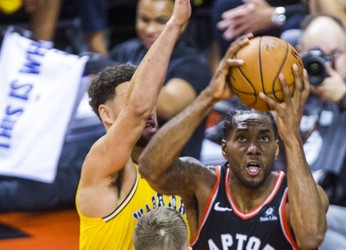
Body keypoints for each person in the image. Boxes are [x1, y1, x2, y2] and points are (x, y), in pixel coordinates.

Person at [139, 33, 328, 249]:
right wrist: (209, 96)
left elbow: (312, 237)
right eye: (242, 138)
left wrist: (292, 137)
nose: (253, 148)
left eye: (264, 138)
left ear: (276, 149)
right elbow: (149, 168)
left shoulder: (293, 197)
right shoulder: (204, 184)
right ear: (224, 149)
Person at [75, 0, 191, 249]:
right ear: (106, 114)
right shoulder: (103, 164)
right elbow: (138, 110)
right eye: (130, 102)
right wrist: (174, 25)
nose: (148, 109)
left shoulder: (179, 172)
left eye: (152, 100)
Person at [298, 14, 346, 250]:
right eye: (317, 55)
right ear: (301, 52)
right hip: (308, 207)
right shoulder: (289, 88)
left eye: (335, 55)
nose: (326, 65)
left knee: (308, 223)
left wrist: (344, 97)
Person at [108, 0, 211, 159]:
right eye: (144, 19)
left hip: (174, 170)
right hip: (126, 163)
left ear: (181, 22)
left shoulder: (194, 65)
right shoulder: (126, 51)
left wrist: (113, 72)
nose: (150, 29)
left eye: (161, 21)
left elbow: (169, 105)